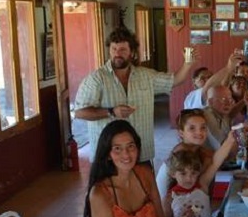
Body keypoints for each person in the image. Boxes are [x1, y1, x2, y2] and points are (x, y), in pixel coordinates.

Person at [74, 26, 197, 164]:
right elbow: (79, 113)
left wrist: (188, 64)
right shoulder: (96, 79)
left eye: (122, 50)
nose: (117, 54)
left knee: (144, 185)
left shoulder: (145, 75)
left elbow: (175, 80)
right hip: (108, 156)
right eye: (113, 49)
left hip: (140, 152)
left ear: (132, 52)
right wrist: (111, 111)